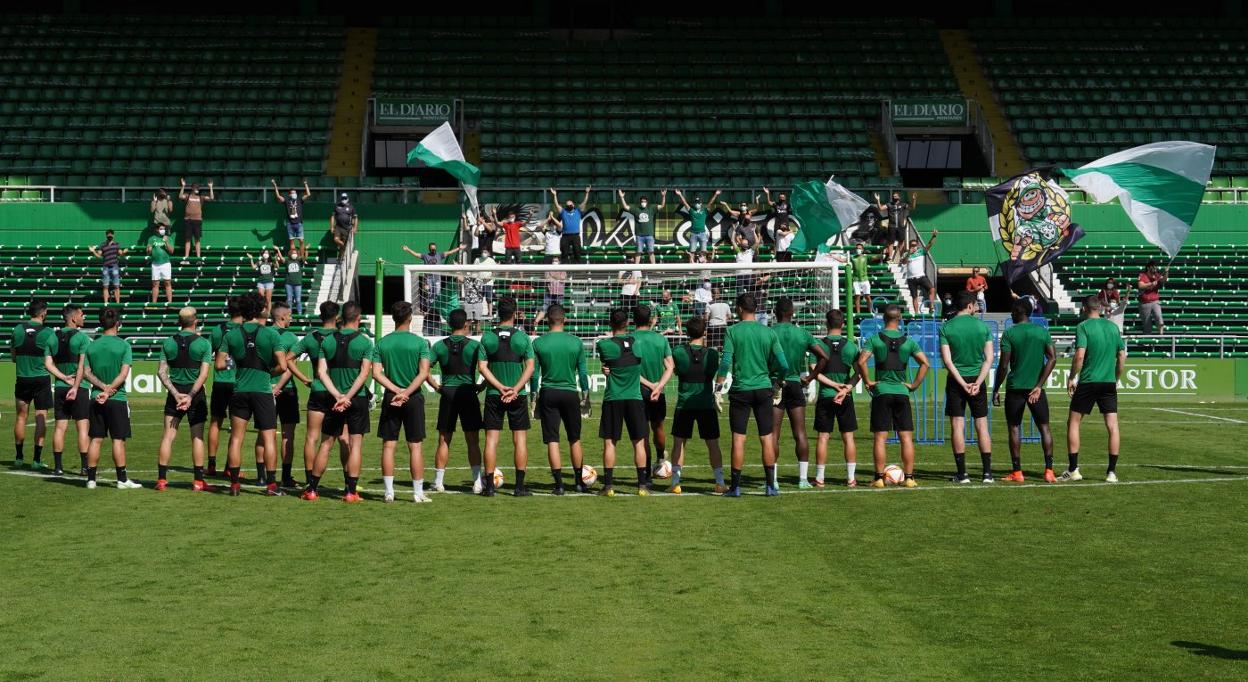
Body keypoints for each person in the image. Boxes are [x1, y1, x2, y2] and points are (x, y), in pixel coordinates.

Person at [715, 293, 789, 497]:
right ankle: (770, 486)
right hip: (764, 388)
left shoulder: (732, 331)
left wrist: (718, 389)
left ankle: (736, 487)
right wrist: (778, 384)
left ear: (739, 309)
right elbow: (784, 365)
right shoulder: (768, 333)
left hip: (741, 390)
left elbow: (725, 363)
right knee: (767, 438)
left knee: (739, 439)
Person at [217, 291, 286, 497]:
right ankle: (272, 486)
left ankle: (235, 484)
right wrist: (269, 372)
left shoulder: (231, 335)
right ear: (261, 309)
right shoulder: (271, 334)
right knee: (269, 439)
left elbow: (220, 364)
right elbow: (282, 365)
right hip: (263, 391)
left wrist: (236, 364)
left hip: (240, 390)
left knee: (237, 438)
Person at [856, 304, 929, 489]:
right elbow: (925, 363)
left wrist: (868, 381)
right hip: (902, 393)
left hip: (882, 392)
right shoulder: (909, 342)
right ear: (900, 320)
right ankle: (910, 478)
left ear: (883, 318)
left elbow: (861, 361)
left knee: (880, 438)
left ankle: (879, 478)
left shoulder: (875, 339)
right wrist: (913, 385)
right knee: (906, 437)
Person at [992, 298, 1058, 484]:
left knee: (1014, 428)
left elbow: (1003, 365)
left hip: (1015, 388)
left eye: (1013, 311)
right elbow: (1053, 358)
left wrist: (996, 388)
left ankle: (1017, 472)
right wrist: (1039, 385)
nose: (1011, 314)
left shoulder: (1010, 334)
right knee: (1044, 427)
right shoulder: (1041, 332)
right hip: (1036, 389)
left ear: (1019, 311)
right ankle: (1049, 471)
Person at [313, 301, 374, 503]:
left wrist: (337, 395)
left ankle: (312, 490)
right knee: (355, 445)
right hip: (356, 399)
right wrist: (347, 397)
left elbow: (321, 372)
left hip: (334, 399)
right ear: (358, 318)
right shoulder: (365, 342)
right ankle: (351, 492)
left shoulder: (327, 341)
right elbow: (364, 373)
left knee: (325, 444)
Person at [373, 301, 433, 503]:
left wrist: (396, 390)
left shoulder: (382, 343)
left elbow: (376, 373)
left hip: (392, 397)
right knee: (414, 446)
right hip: (413, 396)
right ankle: (417, 493)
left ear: (393, 318)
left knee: (388, 446)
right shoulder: (419, 343)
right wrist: (406, 392)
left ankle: (389, 492)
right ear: (410, 318)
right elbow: (424, 373)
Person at [1062, 296, 1127, 483]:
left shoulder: (1083, 327)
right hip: (1108, 382)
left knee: (1073, 422)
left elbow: (1080, 356)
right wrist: (1115, 378)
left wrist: (1071, 377)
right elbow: (1122, 357)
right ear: (1100, 307)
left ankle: (1073, 470)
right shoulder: (1113, 327)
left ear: (1084, 308)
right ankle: (1112, 473)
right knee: (1112, 426)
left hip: (1089, 381)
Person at [288, 301, 349, 491]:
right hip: (337, 391)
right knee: (343, 437)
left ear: (320, 316)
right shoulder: (341, 337)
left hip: (317, 389)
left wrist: (305, 379)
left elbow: (289, 359)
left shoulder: (311, 338)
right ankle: (350, 481)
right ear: (337, 316)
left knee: (312, 437)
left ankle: (310, 480)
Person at [769, 297, 830, 489]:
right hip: (796, 383)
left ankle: (774, 480)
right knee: (800, 433)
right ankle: (803, 479)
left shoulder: (769, 332)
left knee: (773, 434)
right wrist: (811, 377)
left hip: (775, 384)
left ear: (775, 312)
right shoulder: (803, 333)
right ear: (792, 313)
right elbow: (824, 357)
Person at [479, 297, 536, 497]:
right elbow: (530, 366)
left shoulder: (487, 337)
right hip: (517, 395)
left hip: (494, 394)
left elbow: (482, 367)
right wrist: (515, 388)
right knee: (519, 441)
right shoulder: (522, 338)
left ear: (497, 313)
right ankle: (519, 487)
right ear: (515, 313)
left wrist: (500, 387)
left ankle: (490, 488)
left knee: (491, 441)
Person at [533, 303, 592, 495]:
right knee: (574, 439)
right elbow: (583, 373)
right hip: (570, 394)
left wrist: (533, 397)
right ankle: (578, 482)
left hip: (549, 393)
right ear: (564, 319)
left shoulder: (539, 343)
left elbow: (534, 375)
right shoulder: (576, 342)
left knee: (553, 440)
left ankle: (558, 485)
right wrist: (586, 396)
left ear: (547, 321)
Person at [81, 308, 140, 489]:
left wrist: (102, 388)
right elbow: (123, 374)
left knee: (96, 438)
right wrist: (109, 390)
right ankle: (122, 480)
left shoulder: (91, 346)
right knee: (118, 439)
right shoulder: (124, 345)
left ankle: (91, 479)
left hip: (96, 396)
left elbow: (86, 372)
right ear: (117, 324)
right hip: (117, 398)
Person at [427, 309, 486, 494]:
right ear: (466, 324)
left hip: (448, 393)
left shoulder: (438, 346)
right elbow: (487, 368)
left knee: (444, 440)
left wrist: (437, 387)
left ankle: (438, 482)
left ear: (449, 324)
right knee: (473, 440)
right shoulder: (474, 346)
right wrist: (482, 386)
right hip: (468, 392)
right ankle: (477, 482)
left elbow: (424, 370)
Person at [939, 291, 995, 484]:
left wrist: (962, 383)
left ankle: (962, 474)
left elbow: (947, 361)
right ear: (970, 306)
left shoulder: (947, 327)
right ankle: (987, 474)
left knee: (957, 425)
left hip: (957, 380)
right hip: (977, 379)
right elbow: (989, 359)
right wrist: (978, 382)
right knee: (982, 425)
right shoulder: (982, 327)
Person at [155, 307, 213, 491]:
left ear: (179, 322)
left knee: (168, 437)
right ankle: (198, 481)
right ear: (195, 321)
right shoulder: (203, 343)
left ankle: (162, 480)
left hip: (175, 393)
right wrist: (189, 396)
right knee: (197, 437)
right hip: (194, 394)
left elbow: (161, 372)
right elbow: (203, 375)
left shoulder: (168, 343)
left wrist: (175, 394)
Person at [596, 308, 651, 497]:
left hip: (614, 398)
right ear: (627, 323)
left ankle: (608, 486)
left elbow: (607, 361)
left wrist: (607, 369)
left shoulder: (604, 345)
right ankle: (642, 486)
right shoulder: (639, 344)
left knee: (610, 443)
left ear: (610, 324)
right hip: (634, 398)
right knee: (639, 442)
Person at [668, 316, 724, 494]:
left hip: (685, 404)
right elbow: (712, 372)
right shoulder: (713, 354)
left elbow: (676, 369)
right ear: (705, 332)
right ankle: (720, 482)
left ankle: (676, 483)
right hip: (706, 403)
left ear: (686, 332)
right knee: (713, 443)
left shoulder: (677, 352)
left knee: (679, 443)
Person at [812, 309, 860, 487]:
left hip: (825, 396)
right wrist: (845, 388)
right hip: (844, 397)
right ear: (842, 324)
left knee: (823, 437)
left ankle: (820, 478)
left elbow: (814, 371)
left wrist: (833, 386)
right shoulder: (851, 346)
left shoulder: (818, 344)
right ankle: (851, 478)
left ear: (826, 323)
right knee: (848, 438)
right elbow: (859, 372)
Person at [631, 305, 675, 478]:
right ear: (651, 320)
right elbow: (670, 366)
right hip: (658, 391)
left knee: (643, 434)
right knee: (658, 427)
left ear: (633, 320)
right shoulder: (660, 339)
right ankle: (660, 458)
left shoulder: (630, 339)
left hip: (637, 391)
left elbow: (631, 370)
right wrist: (658, 386)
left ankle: (647, 472)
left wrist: (649, 385)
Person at [11, 300, 55, 469]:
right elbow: (52, 357)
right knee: (41, 417)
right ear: (43, 313)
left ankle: (19, 457)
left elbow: (14, 357)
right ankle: (36, 460)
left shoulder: (17, 329)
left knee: (21, 417)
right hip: (41, 379)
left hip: (22, 377)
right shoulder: (49, 333)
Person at [49, 304, 91, 475]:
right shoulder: (82, 339)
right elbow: (82, 366)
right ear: (73, 318)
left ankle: (58, 467)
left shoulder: (52, 337)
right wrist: (74, 385)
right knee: (82, 428)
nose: (84, 317)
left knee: (60, 428)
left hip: (59, 387)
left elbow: (48, 363)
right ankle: (84, 467)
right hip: (79, 387)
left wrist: (62, 377)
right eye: (82, 314)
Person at [265, 302, 302, 490]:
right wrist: (278, 386)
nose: (291, 318)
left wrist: (270, 385)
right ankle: (286, 477)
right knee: (288, 434)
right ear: (281, 317)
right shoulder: (290, 337)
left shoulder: (263, 334)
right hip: (285, 390)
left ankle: (264, 476)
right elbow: (289, 366)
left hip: (264, 387)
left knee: (266, 434)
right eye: (289, 316)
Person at [206, 297, 242, 477]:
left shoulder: (218, 329)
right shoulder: (245, 330)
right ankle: (230, 467)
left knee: (215, 422)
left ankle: (211, 465)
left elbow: (208, 352)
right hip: (238, 382)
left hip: (220, 381)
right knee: (237, 427)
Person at [403, 241, 467, 304]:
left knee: (437, 293)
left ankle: (435, 306)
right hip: (428, 278)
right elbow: (416, 254)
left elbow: (449, 252)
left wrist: (459, 248)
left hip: (437, 278)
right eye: (432, 249)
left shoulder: (439, 255)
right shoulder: (425, 256)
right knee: (429, 293)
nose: (433, 250)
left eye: (434, 248)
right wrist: (408, 249)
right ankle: (429, 306)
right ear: (429, 249)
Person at [619, 189, 666, 265]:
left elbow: (662, 206)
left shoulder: (651, 208)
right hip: (639, 236)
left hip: (649, 235)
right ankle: (636, 269)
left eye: (644, 201)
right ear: (640, 202)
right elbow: (625, 207)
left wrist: (663, 196)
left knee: (651, 252)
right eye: (642, 201)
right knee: (638, 252)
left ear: (647, 202)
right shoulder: (636, 209)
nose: (643, 203)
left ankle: (654, 268)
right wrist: (622, 197)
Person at [675, 189, 720, 262]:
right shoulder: (692, 211)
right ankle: (690, 270)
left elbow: (710, 203)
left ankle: (704, 268)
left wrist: (716, 194)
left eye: (698, 203)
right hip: (693, 234)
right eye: (696, 203)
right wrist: (680, 194)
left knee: (704, 252)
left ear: (701, 204)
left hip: (702, 234)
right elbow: (685, 203)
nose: (697, 204)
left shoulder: (704, 211)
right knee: (692, 252)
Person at [549, 186, 591, 263]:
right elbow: (556, 205)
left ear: (573, 205)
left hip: (575, 236)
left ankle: (578, 270)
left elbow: (584, 202)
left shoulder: (578, 211)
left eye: (570, 205)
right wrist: (554, 195)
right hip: (565, 236)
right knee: (564, 254)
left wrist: (587, 193)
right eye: (568, 205)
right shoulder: (563, 212)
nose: (569, 206)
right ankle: (565, 271)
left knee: (577, 253)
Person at [271, 178, 311, 257]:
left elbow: (308, 194)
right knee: (292, 242)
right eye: (292, 193)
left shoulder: (299, 199)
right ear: (289, 194)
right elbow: (278, 196)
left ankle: (302, 257)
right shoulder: (286, 200)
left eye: (295, 192)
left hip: (299, 223)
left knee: (301, 241)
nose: (294, 194)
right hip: (290, 224)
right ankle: (294, 256)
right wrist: (275, 185)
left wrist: (306, 184)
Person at [902, 229, 938, 315]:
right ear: (909, 246)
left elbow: (929, 245)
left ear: (917, 245)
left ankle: (931, 307)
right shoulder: (906, 253)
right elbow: (903, 262)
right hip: (911, 278)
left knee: (932, 289)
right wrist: (908, 254)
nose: (913, 247)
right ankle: (917, 313)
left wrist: (934, 236)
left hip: (921, 276)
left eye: (915, 245)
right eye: (912, 245)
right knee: (915, 297)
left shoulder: (921, 251)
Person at [875, 191, 917, 263]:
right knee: (890, 242)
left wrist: (914, 200)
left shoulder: (903, 204)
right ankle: (890, 256)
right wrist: (878, 200)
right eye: (893, 196)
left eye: (896, 196)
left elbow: (912, 207)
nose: (895, 197)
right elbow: (881, 208)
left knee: (901, 242)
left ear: (899, 197)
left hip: (900, 226)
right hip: (892, 226)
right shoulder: (889, 204)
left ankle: (901, 257)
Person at [178, 178, 213, 263]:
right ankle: (186, 259)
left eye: (198, 188)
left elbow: (211, 198)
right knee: (188, 240)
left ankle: (198, 259)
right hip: (188, 220)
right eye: (195, 187)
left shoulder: (201, 197)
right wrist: (183, 186)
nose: (197, 189)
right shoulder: (188, 196)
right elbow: (180, 196)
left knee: (197, 240)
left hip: (197, 221)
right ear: (192, 188)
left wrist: (211, 187)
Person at [90, 230, 128, 304]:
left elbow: (121, 254)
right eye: (108, 234)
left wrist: (124, 252)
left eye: (111, 234)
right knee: (105, 286)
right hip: (106, 268)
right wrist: (93, 251)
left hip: (114, 267)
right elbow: (98, 256)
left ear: (113, 235)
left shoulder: (117, 244)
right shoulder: (102, 245)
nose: (109, 235)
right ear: (106, 235)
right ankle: (106, 303)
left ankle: (118, 304)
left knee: (116, 286)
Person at [1137, 260, 1168, 335]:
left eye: (1155, 266)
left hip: (1155, 301)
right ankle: (1147, 341)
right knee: (1147, 323)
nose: (1154, 268)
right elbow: (1140, 285)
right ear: (1148, 267)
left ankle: (1161, 335)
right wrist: (1150, 284)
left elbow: (1163, 280)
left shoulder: (1157, 275)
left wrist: (1167, 272)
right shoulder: (1142, 275)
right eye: (1152, 266)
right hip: (1144, 303)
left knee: (1158, 316)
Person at [533, 259, 567, 328]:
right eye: (554, 260)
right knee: (544, 308)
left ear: (559, 262)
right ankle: (536, 321)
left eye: (556, 260)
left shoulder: (563, 269)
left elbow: (563, 278)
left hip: (559, 293)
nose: (555, 262)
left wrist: (553, 276)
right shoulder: (548, 269)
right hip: (549, 293)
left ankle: (562, 323)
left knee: (560, 309)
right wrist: (557, 277)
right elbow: (548, 278)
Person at [146, 223, 174, 304]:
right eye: (161, 229)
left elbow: (171, 251)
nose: (163, 230)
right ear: (157, 229)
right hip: (155, 264)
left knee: (168, 283)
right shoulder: (151, 239)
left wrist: (166, 242)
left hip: (166, 264)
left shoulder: (168, 238)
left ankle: (170, 303)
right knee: (155, 284)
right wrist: (149, 250)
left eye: (164, 229)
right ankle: (154, 304)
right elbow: (147, 252)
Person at [248, 246, 283, 310]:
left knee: (268, 300)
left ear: (269, 255)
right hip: (261, 282)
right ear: (262, 254)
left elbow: (277, 267)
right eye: (264, 253)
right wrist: (251, 259)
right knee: (261, 299)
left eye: (267, 253)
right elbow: (253, 267)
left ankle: (268, 314)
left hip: (269, 282)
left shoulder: (271, 262)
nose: (265, 254)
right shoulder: (260, 262)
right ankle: (262, 312)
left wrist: (276, 260)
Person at [764, 187, 793, 260]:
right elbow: (769, 202)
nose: (782, 198)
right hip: (777, 225)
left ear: (785, 198)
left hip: (786, 225)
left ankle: (787, 252)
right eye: (780, 197)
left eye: (783, 197)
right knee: (776, 240)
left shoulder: (788, 204)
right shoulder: (776, 204)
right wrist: (767, 194)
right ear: (779, 198)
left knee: (787, 239)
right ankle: (776, 254)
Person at [850, 243, 879, 316]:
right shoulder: (853, 257)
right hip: (856, 280)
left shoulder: (865, 257)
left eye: (859, 248)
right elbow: (843, 259)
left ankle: (870, 311)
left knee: (867, 296)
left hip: (865, 279)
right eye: (857, 248)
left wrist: (882, 255)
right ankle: (858, 313)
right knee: (857, 296)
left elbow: (875, 257)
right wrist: (833, 257)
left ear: (862, 250)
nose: (858, 250)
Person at [330, 192, 358, 259]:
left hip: (347, 228)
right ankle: (342, 246)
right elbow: (332, 217)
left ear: (347, 198)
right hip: (338, 227)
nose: (344, 199)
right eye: (342, 198)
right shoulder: (337, 206)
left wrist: (355, 228)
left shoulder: (351, 207)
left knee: (345, 246)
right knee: (336, 240)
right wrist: (331, 227)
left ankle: (340, 258)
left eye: (345, 198)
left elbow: (355, 218)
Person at [285, 245, 306, 316]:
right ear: (290, 254)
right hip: (288, 283)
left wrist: (305, 249)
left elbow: (304, 257)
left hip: (298, 283)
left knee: (298, 300)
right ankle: (289, 315)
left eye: (295, 253)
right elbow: (281, 259)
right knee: (289, 300)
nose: (294, 254)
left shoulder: (299, 261)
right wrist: (278, 251)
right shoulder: (287, 261)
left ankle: (300, 315)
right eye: (293, 253)